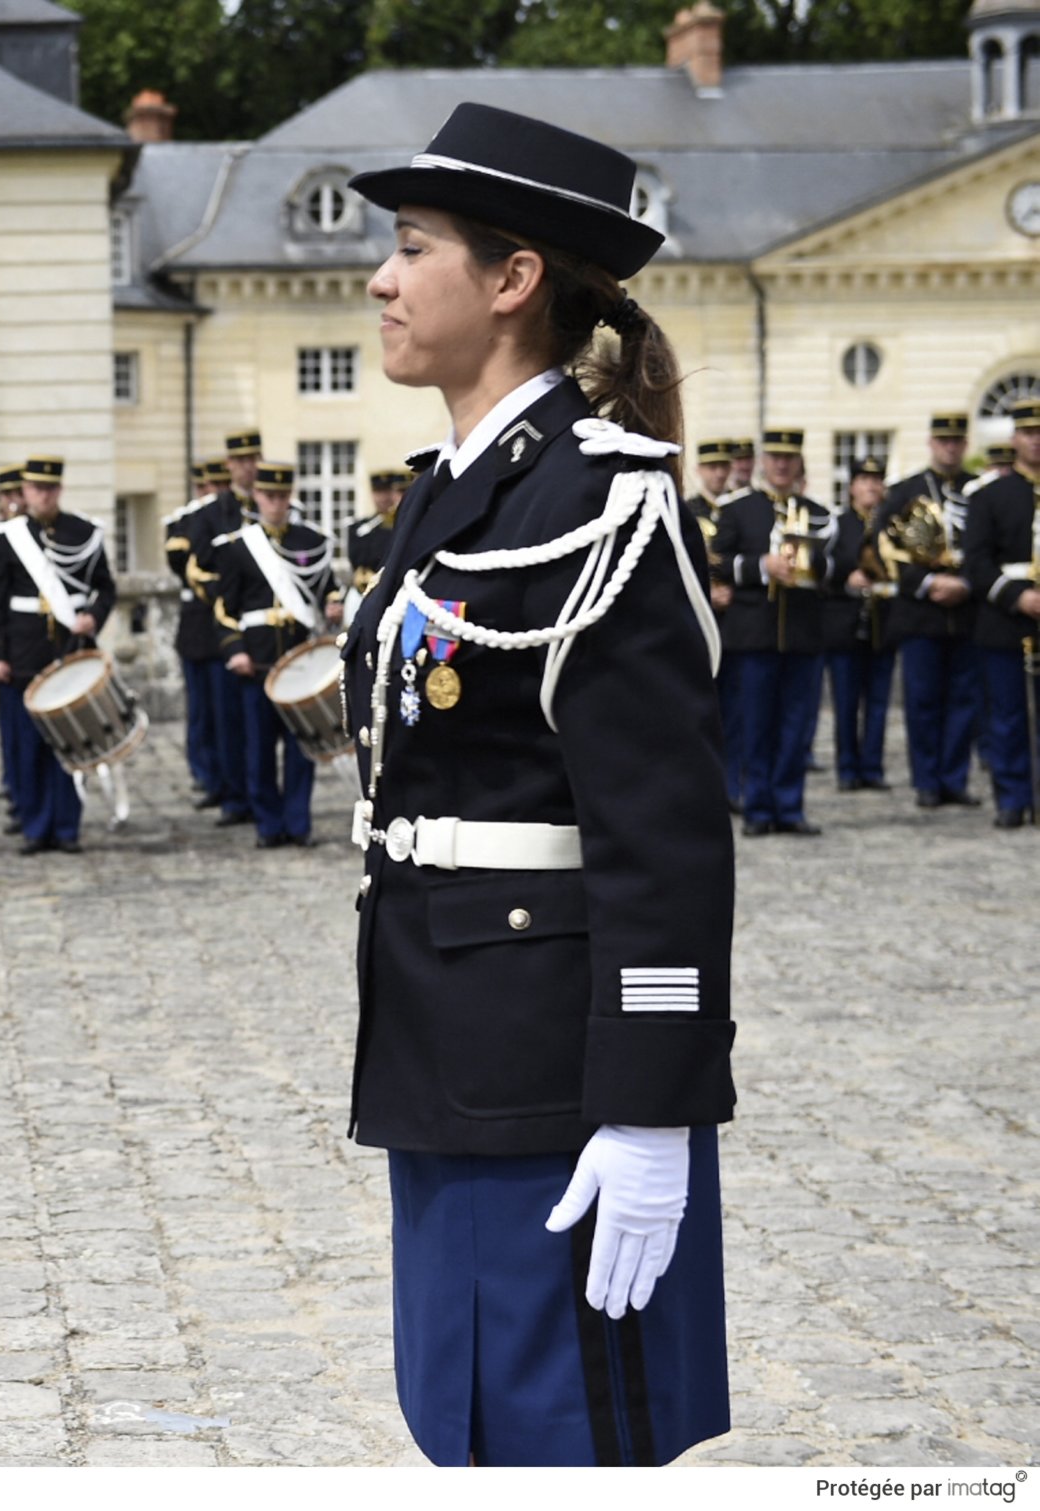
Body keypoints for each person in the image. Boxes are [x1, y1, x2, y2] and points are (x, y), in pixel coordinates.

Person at [343, 102, 735, 1467]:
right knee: (463, 1413)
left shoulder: (600, 498)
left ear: (513, 281)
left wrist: (650, 1104)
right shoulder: (459, 491)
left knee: (558, 1428)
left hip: (553, 1064)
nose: (380, 281)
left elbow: (666, 844)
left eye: (409, 247)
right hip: (443, 1028)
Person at [0, 455, 117, 855]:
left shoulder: (83, 533)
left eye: (50, 489)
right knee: (27, 745)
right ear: (24, 492)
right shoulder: (9, 537)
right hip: (23, 650)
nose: (43, 496)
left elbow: (106, 588)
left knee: (70, 742)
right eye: (36, 489)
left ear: (59, 490)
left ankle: (66, 826)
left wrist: (93, 617)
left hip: (69, 650)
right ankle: (35, 825)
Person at [713, 428, 835, 836]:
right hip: (754, 637)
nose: (782, 465)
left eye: (790, 458)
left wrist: (814, 567)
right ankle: (757, 808)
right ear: (764, 462)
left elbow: (838, 565)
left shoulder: (819, 512)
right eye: (775, 457)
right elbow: (715, 562)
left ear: (799, 463)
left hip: (802, 636)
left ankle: (789, 806)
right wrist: (761, 566)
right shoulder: (739, 510)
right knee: (755, 725)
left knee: (795, 726)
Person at [214, 460, 337, 848]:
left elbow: (328, 587)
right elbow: (224, 610)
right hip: (259, 662)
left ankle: (298, 823)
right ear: (257, 497)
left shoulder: (310, 542)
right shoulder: (238, 548)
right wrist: (236, 651)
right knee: (259, 750)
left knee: (303, 749)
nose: (276, 503)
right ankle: (268, 824)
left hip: (301, 660)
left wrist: (333, 604)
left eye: (282, 496)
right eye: (269, 496)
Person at [877, 413, 983, 809]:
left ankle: (953, 778)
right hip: (922, 612)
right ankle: (926, 780)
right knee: (922, 700)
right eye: (943, 441)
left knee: (963, 700)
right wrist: (927, 583)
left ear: (965, 445)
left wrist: (966, 583)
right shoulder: (906, 490)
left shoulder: (979, 490)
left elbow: (988, 546)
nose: (950, 448)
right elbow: (885, 547)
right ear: (931, 443)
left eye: (957, 441)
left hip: (966, 610)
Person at [961, 397, 1040, 829]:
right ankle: (1012, 797)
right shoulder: (991, 496)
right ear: (1015, 440)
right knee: (1007, 715)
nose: (1036, 441)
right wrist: (1016, 596)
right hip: (1005, 618)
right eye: (1029, 433)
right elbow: (975, 562)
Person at [188, 433, 261, 829]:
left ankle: (263, 793)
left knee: (265, 727)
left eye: (253, 458)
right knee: (229, 721)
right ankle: (237, 797)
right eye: (240, 460)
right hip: (227, 630)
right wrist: (235, 598)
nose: (247, 466)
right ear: (229, 465)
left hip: (269, 633)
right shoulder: (211, 514)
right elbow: (198, 571)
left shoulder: (278, 507)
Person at [823, 458, 894, 791]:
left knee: (878, 704)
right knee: (847, 703)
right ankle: (848, 768)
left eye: (877, 479)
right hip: (845, 625)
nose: (871, 486)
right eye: (865, 479)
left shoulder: (888, 526)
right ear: (852, 486)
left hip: (883, 624)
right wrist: (845, 576)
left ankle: (873, 767)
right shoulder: (839, 524)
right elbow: (825, 565)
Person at [164, 461, 228, 804]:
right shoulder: (183, 522)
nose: (212, 494)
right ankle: (204, 773)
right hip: (196, 627)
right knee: (200, 711)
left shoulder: (232, 519)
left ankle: (226, 776)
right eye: (206, 487)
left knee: (225, 713)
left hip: (224, 628)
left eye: (219, 486)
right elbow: (181, 565)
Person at [687, 439, 744, 810]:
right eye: (712, 467)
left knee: (736, 714)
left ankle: (733, 786)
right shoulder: (687, 510)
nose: (719, 474)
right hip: (697, 622)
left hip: (738, 623)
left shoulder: (741, 510)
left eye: (724, 467)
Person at [0, 466, 28, 832]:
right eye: (7, 495)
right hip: (12, 641)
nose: (13, 502)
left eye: (19, 494)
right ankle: (17, 793)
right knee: (13, 731)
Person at [346, 468, 409, 604]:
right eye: (379, 492)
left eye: (387, 491)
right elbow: (357, 562)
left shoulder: (403, 525)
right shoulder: (360, 528)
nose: (384, 498)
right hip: (367, 591)